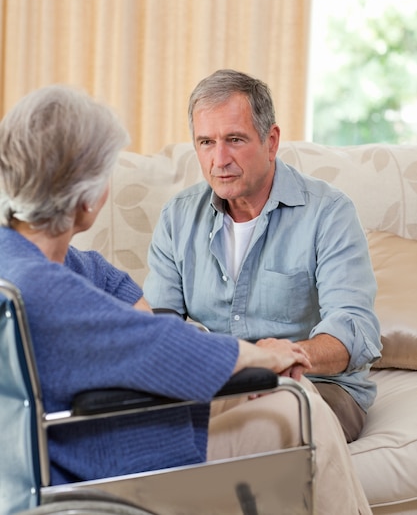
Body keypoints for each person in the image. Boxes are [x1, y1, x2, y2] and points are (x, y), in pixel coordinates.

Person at [0, 85, 311, 486]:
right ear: (87, 198)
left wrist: (138, 333)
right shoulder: (45, 290)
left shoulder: (23, 258)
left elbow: (120, 295)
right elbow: (166, 346)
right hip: (97, 456)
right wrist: (266, 354)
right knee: (297, 410)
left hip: (66, 441)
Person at [143, 69, 383, 510]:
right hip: (221, 383)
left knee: (276, 417)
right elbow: (159, 326)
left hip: (320, 385)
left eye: (234, 139)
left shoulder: (328, 213)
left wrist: (288, 356)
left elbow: (355, 327)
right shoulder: (178, 218)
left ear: (271, 141)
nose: (219, 159)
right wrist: (224, 364)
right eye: (206, 143)